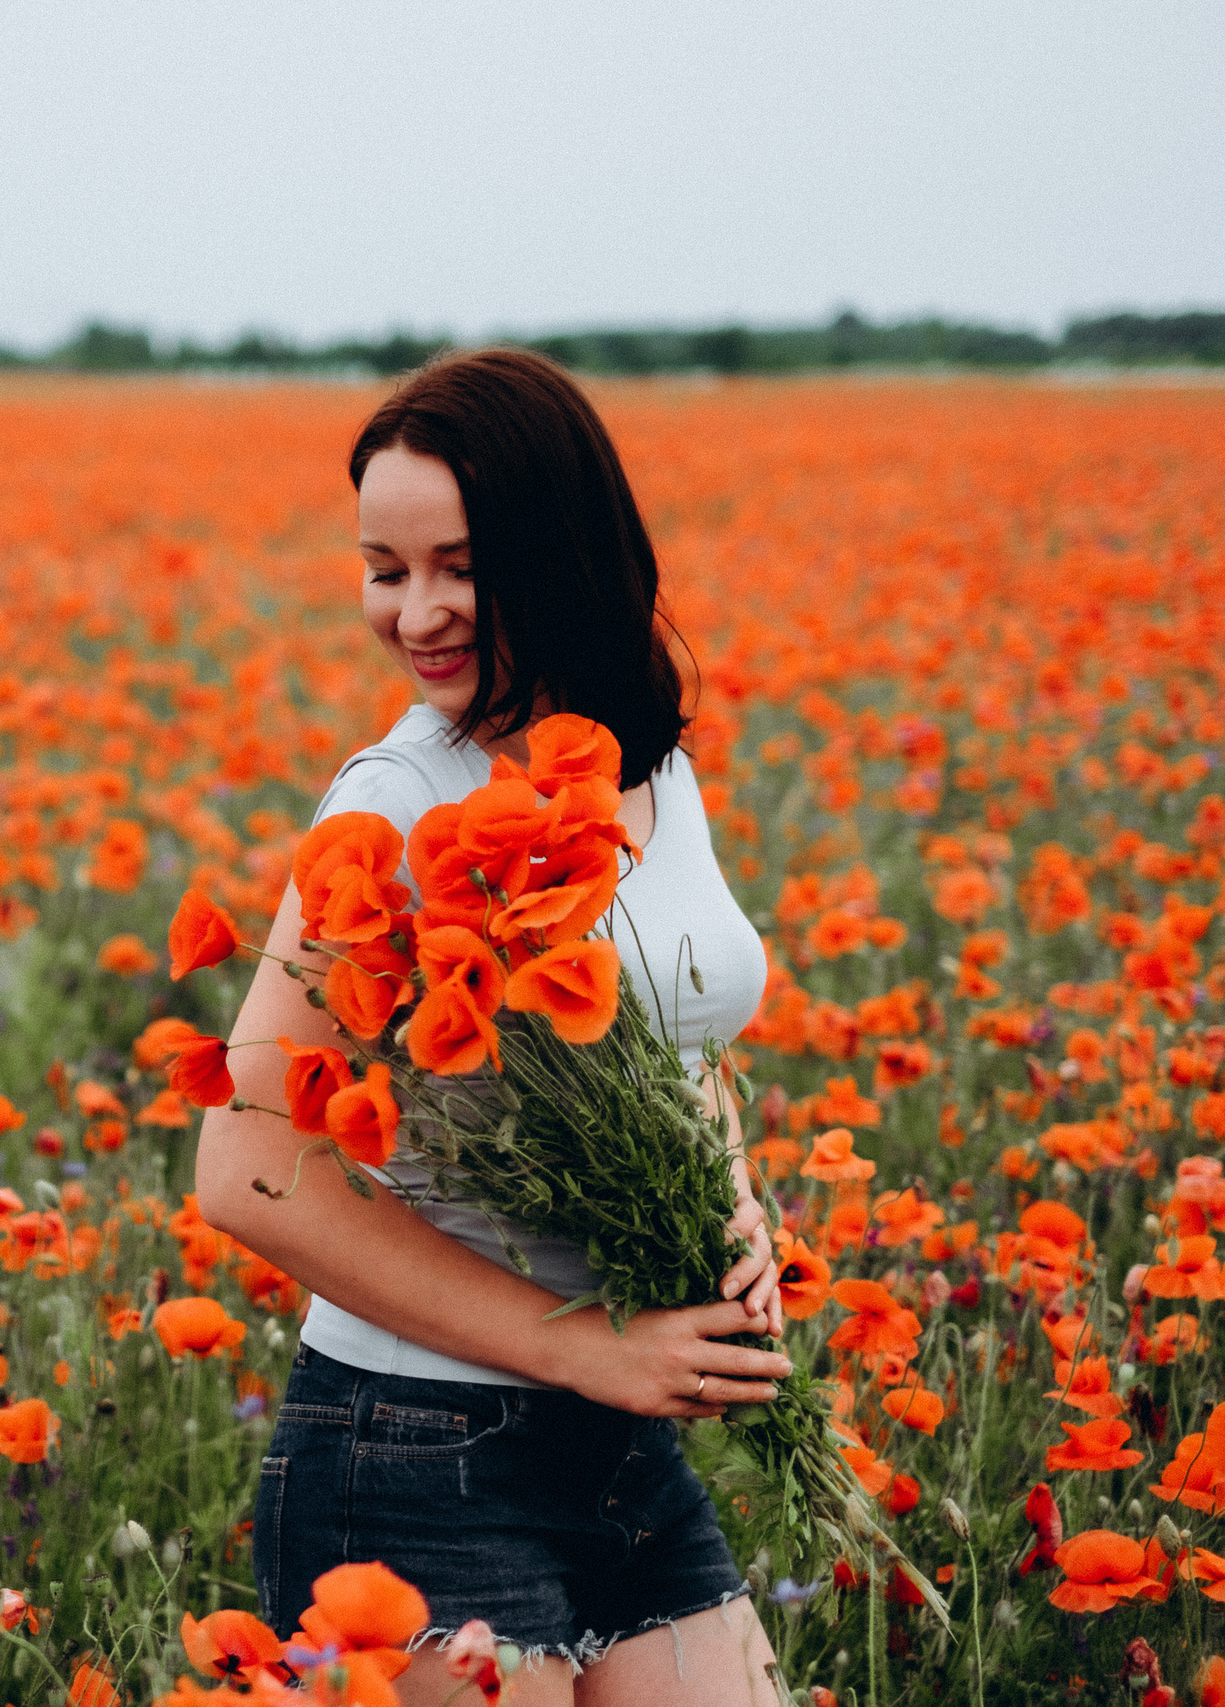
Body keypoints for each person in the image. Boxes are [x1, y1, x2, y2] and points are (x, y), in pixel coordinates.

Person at [195, 348, 792, 1705]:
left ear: (564, 549)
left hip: (624, 1438)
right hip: (413, 1453)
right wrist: (583, 1344)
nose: (414, 614)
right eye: (384, 568)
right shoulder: (397, 805)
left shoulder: (649, 767)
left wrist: (733, 1209)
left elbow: (678, 1047)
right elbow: (244, 1168)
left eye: (457, 566)